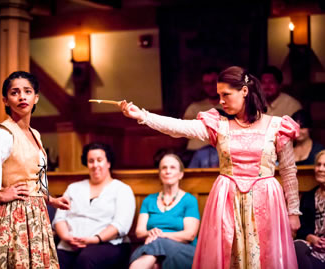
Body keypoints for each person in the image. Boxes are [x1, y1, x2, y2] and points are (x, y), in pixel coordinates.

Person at [119, 66, 301, 268]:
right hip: (227, 199)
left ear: (244, 91)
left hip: (266, 199)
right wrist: (143, 116)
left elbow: (288, 170)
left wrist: (293, 212)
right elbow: (179, 127)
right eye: (218, 95)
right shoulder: (219, 125)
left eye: (226, 95)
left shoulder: (277, 126)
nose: (221, 101)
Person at [0, 71, 70, 268]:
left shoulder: (34, 133)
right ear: (5, 100)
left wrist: (50, 199)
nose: (22, 97)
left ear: (36, 97)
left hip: (35, 214)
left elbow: (35, 174)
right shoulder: (4, 134)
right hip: (11, 213)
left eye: (27, 91)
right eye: (15, 92)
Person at [52, 142, 136, 269]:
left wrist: (95, 239)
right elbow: (60, 218)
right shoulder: (73, 188)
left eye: (99, 160)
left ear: (108, 163)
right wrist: (66, 237)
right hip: (69, 244)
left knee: (86, 259)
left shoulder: (122, 189)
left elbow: (120, 225)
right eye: (91, 161)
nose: (95, 165)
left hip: (107, 244)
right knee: (52, 260)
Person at [129, 153, 200, 269]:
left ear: (181, 174)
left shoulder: (189, 200)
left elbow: (190, 235)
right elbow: (139, 232)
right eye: (164, 167)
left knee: (156, 247)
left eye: (172, 167)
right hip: (152, 248)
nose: (168, 171)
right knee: (155, 261)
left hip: (184, 250)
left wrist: (161, 235)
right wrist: (150, 233)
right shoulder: (149, 200)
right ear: (159, 173)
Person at [294, 150, 325, 269]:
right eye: (318, 164)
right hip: (313, 248)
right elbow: (301, 227)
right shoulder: (308, 197)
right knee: (297, 247)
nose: (320, 169)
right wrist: (311, 238)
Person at [184, 67, 222, 151]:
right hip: (195, 150)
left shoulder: (230, 107)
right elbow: (186, 133)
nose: (210, 87)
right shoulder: (193, 108)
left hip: (221, 151)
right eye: (207, 84)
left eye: (213, 82)